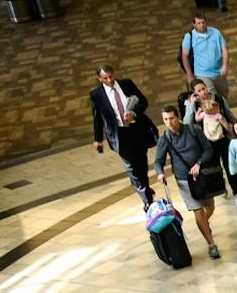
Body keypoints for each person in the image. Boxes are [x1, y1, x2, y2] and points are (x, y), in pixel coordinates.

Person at [153, 106, 223, 258]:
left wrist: (198, 163)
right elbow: (158, 160)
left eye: (171, 118)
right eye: (165, 119)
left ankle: (204, 225)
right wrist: (160, 173)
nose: (169, 122)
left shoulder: (193, 130)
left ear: (177, 117)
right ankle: (211, 244)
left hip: (201, 176)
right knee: (198, 210)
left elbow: (208, 149)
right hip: (184, 180)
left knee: (209, 207)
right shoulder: (164, 138)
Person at [90, 66, 155, 207]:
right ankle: (147, 199)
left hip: (136, 130)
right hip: (119, 135)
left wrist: (134, 113)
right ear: (99, 79)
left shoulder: (127, 84)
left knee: (141, 163)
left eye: (111, 76)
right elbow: (97, 118)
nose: (109, 80)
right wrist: (98, 139)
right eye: (105, 78)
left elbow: (143, 102)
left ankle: (145, 187)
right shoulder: (97, 94)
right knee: (131, 167)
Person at [178, 14, 229, 93]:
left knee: (223, 98)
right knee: (211, 99)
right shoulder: (189, 37)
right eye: (199, 23)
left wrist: (225, 65)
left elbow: (225, 50)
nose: (202, 25)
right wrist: (189, 74)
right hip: (202, 74)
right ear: (194, 24)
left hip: (219, 73)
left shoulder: (215, 32)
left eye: (203, 22)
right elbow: (184, 56)